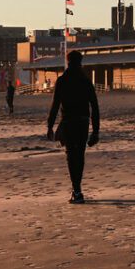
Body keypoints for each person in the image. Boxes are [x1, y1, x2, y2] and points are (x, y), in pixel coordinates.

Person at [46, 50, 100, 204]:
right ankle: (78, 189)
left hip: (68, 122)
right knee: (80, 155)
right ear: (80, 62)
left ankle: (76, 190)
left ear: (68, 61)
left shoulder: (62, 80)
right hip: (83, 122)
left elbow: (55, 105)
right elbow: (95, 107)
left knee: (71, 155)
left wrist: (50, 126)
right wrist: (95, 131)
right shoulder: (85, 80)